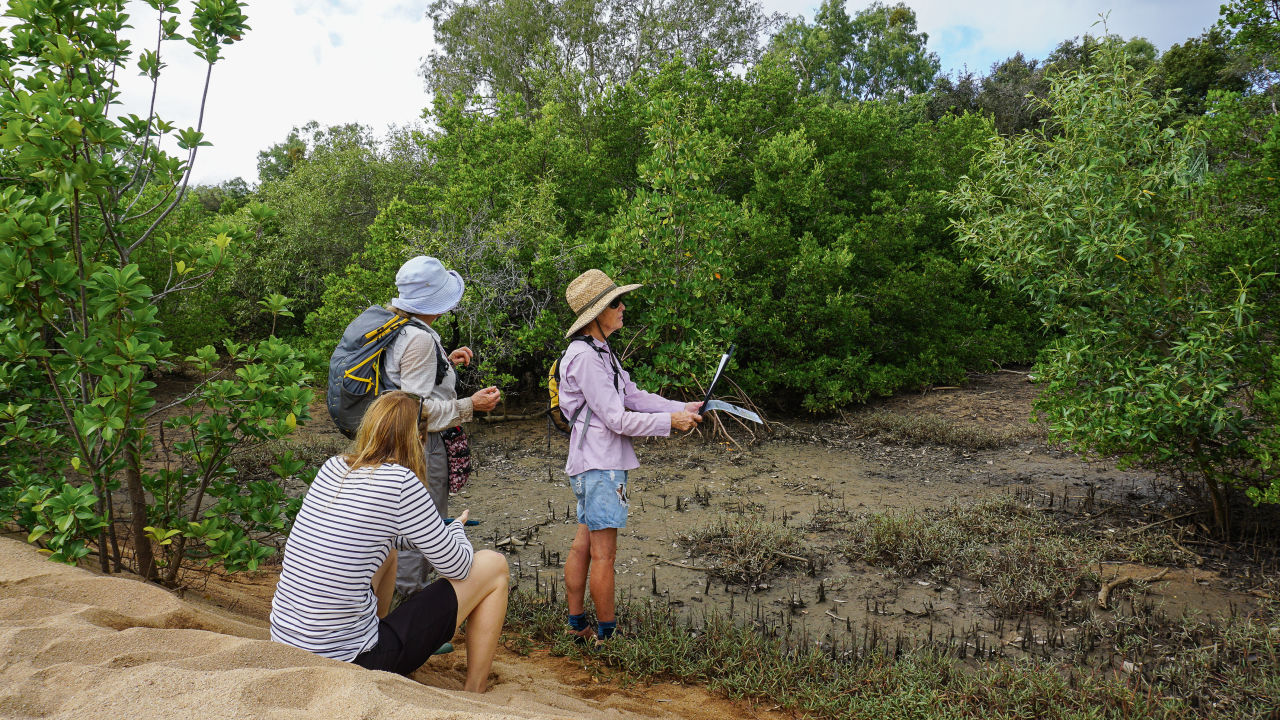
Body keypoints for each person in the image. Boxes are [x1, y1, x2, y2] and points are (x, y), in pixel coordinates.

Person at [269, 391, 509, 693]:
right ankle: (474, 692)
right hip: (349, 660)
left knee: (389, 552)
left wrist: (426, 534)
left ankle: (379, 630)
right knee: (494, 565)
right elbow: (458, 567)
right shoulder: (401, 481)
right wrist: (456, 530)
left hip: (286, 644)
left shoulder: (333, 467)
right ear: (419, 438)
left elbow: (374, 536)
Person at [556, 269, 702, 642]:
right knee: (604, 554)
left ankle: (578, 626)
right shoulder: (586, 357)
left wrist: (682, 406)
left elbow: (633, 396)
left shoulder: (599, 351)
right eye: (615, 303)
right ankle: (608, 636)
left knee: (585, 542)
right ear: (597, 313)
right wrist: (670, 422)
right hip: (600, 466)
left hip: (594, 464)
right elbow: (617, 419)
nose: (623, 308)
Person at [384, 255, 501, 597]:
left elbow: (405, 385)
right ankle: (411, 614)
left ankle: (395, 606)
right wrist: (471, 405)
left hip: (397, 443)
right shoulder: (419, 339)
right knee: (422, 526)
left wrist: (444, 363)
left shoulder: (399, 328)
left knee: (401, 525)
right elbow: (414, 412)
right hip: (421, 446)